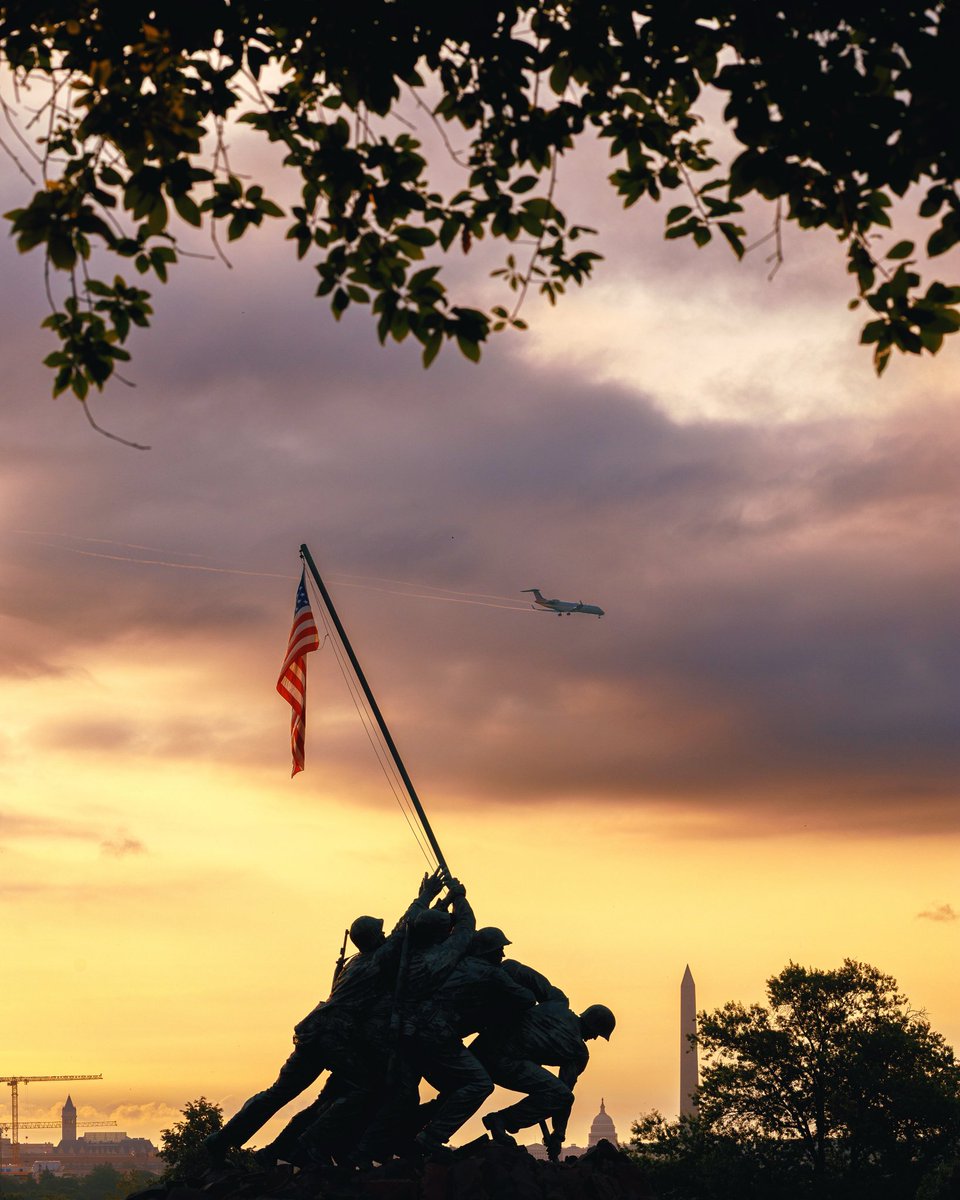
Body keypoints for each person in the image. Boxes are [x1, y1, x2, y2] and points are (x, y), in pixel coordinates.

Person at [203, 871, 445, 1161]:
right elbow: (403, 932)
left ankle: (220, 1141)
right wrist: (425, 897)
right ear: (371, 940)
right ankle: (310, 1146)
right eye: (379, 934)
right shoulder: (375, 962)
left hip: (313, 1030)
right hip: (334, 1036)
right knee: (365, 1087)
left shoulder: (354, 963)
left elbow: (401, 936)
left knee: (279, 1092)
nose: (384, 936)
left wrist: (436, 909)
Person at [473, 997, 616, 1161]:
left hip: (483, 1047)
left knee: (554, 1092)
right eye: (597, 1033)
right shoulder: (578, 1051)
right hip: (505, 1060)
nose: (595, 1038)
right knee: (561, 1095)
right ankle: (501, 1120)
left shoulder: (557, 1007)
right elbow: (564, 1093)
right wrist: (558, 1135)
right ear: (593, 1027)